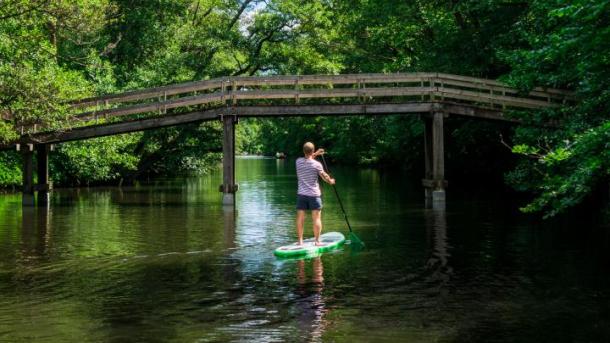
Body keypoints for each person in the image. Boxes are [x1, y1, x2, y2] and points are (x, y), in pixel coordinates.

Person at [296, 142, 335, 246]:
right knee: (316, 218)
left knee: (300, 218)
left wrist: (315, 153)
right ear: (312, 151)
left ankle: (300, 241)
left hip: (301, 194)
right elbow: (324, 176)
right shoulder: (317, 165)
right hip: (314, 195)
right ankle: (317, 242)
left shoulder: (298, 162)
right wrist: (330, 181)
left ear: (303, 151)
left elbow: (308, 158)